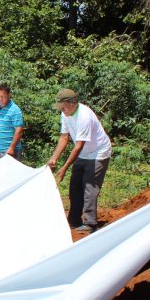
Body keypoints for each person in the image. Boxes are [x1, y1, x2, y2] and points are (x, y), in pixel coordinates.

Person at [47, 89, 112, 233]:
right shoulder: (66, 114)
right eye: (60, 107)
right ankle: (74, 221)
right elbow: (64, 137)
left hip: (98, 153)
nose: (62, 110)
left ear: (73, 103)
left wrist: (64, 168)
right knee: (75, 186)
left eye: (63, 107)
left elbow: (78, 146)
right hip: (83, 153)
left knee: (89, 187)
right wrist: (54, 158)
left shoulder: (84, 117)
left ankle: (90, 223)